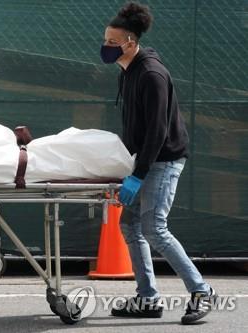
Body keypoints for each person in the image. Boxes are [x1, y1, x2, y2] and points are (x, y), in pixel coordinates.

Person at [100, 2, 217, 325]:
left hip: (164, 160)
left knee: (154, 227)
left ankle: (202, 290)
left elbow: (157, 132)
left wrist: (137, 175)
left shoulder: (151, 74)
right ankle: (148, 297)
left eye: (113, 42)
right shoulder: (129, 71)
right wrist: (126, 169)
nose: (107, 47)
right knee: (130, 225)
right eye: (106, 40)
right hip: (147, 160)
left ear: (131, 43)